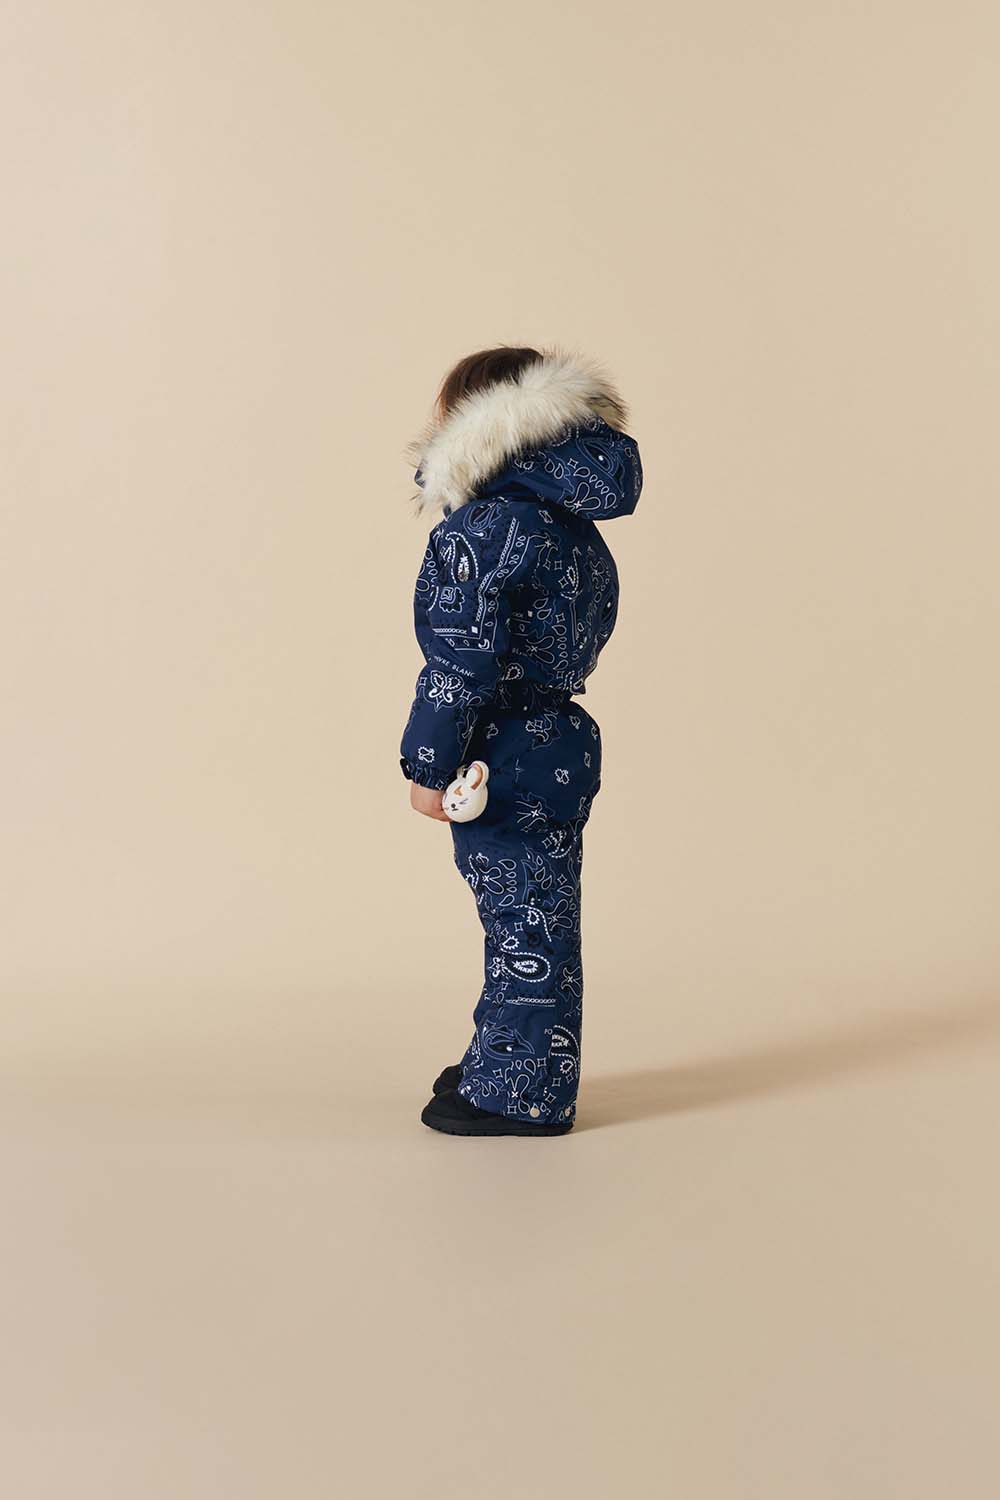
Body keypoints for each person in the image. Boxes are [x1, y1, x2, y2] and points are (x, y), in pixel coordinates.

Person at [399, 347, 643, 1136]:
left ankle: (519, 1091)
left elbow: (459, 659)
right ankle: (507, 1059)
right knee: (538, 912)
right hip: (560, 740)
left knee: (522, 922)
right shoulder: (574, 527)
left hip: (497, 749)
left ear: (471, 423)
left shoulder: (482, 529)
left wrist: (429, 764)